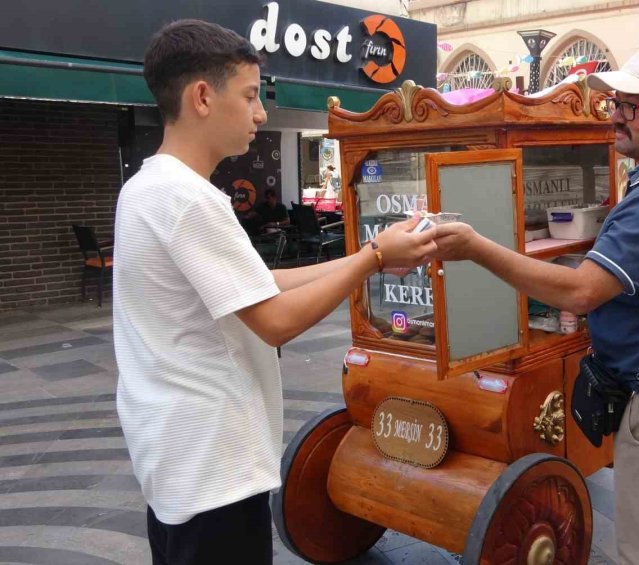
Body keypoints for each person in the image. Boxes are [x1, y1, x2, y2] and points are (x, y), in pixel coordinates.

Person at [113, 19, 436, 565]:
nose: (261, 113)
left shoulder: (146, 187)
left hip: (174, 459)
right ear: (201, 97)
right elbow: (275, 319)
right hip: (213, 467)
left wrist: (363, 255)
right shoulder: (189, 199)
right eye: (249, 95)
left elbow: (254, 288)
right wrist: (376, 259)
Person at [432, 41, 639, 565]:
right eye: (616, 102)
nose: (616, 115)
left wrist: (474, 246)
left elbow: (581, 291)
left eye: (631, 107)